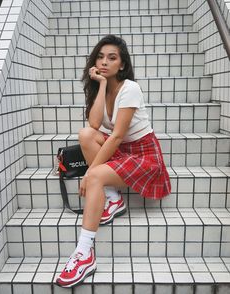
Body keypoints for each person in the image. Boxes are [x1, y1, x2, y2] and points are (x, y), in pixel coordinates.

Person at [56, 34, 171, 288]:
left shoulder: (130, 88)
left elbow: (117, 136)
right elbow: (95, 125)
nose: (105, 62)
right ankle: (113, 198)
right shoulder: (104, 87)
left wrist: (90, 173)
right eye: (100, 57)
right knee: (86, 134)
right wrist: (102, 85)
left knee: (95, 175)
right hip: (123, 150)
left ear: (122, 65)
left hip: (144, 155)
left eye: (112, 58)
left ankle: (84, 253)